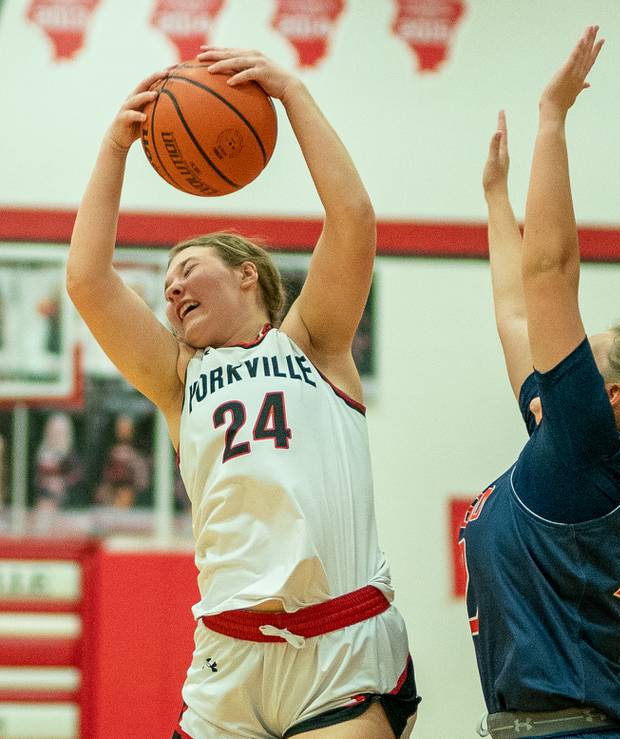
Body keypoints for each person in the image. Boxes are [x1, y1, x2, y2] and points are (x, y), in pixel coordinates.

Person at [66, 48, 419, 739]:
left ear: (249, 274)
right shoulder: (177, 378)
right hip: (227, 655)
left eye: (188, 269)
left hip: (337, 642)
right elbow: (87, 279)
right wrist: (115, 147)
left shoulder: (313, 341)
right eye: (166, 286)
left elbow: (352, 216)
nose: (171, 289)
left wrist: (290, 91)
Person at [461, 27, 620, 739]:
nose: (560, 354)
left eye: (584, 353)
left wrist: (553, 118)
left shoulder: (587, 452)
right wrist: (493, 198)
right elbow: (516, 311)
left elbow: (549, 276)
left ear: (611, 398)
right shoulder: (565, 448)